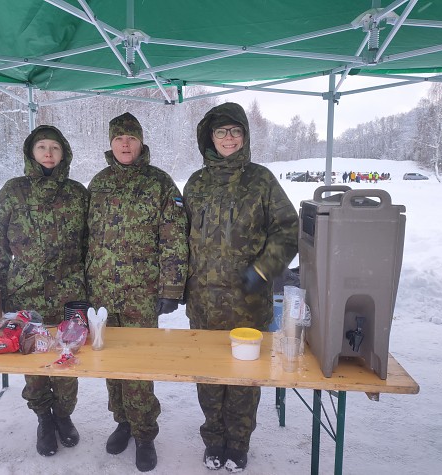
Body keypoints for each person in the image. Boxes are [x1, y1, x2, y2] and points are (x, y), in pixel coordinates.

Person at [183, 102, 299, 472]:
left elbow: (289, 229)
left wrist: (264, 270)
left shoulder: (261, 180)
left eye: (235, 131)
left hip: (248, 302)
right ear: (209, 138)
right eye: (221, 132)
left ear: (245, 137)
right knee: (208, 376)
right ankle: (214, 440)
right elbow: (178, 238)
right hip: (202, 303)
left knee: (245, 379)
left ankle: (239, 442)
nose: (229, 138)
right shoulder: (196, 184)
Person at [86, 112, 188, 472]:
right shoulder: (98, 184)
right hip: (101, 293)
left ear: (141, 142)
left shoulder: (160, 183)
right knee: (110, 362)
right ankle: (122, 421)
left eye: (131, 138)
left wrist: (171, 287)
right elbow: (87, 239)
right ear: (111, 144)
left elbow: (174, 238)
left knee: (139, 365)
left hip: (141, 293)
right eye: (119, 138)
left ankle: (145, 433)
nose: (125, 144)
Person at [0, 125, 89, 458]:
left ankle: (64, 414)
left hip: (69, 293)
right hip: (24, 293)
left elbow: (91, 244)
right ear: (31, 151)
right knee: (32, 357)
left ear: (64, 153)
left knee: (68, 356)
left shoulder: (77, 193)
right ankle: (44, 417)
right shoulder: (13, 192)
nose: (48, 153)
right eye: (41, 147)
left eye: (54, 148)